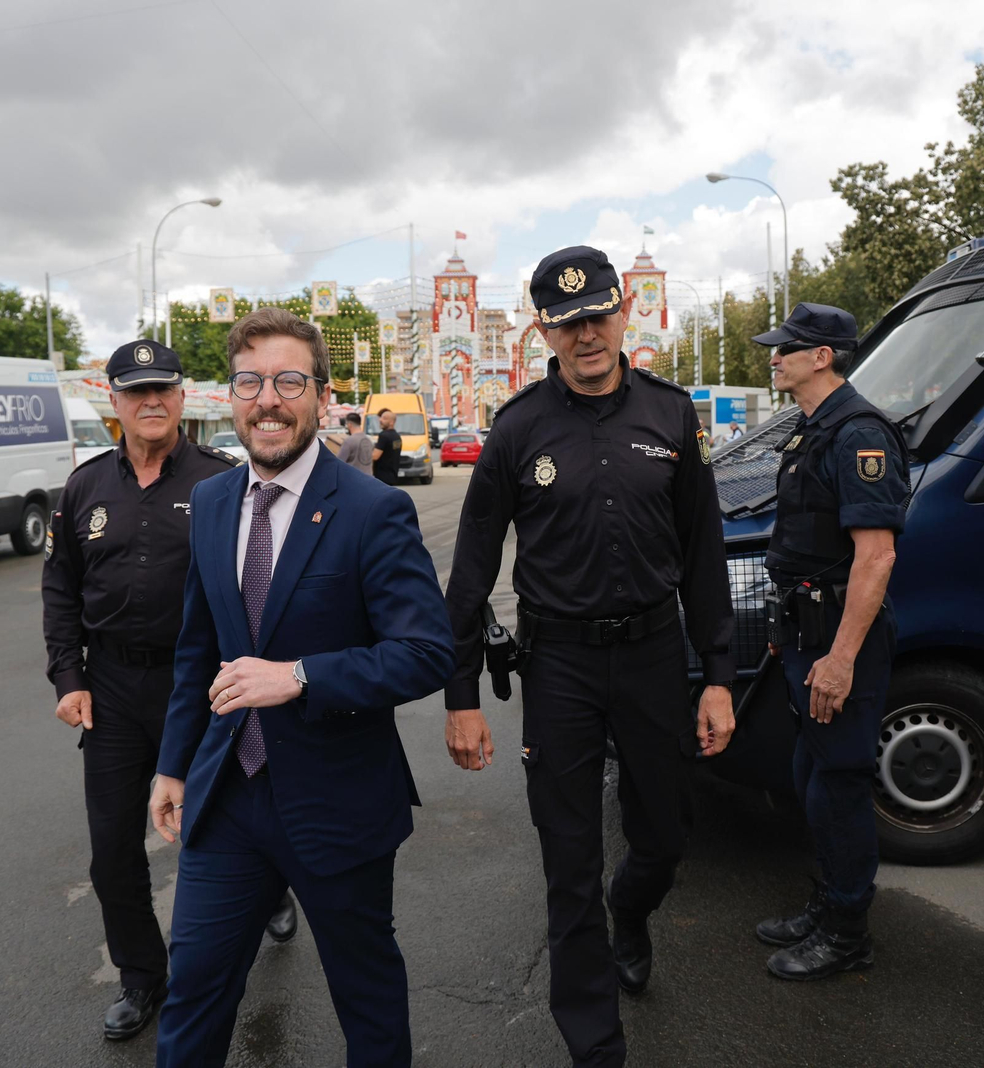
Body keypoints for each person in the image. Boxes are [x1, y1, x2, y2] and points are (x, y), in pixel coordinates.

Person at [443, 245, 737, 1068]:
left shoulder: (673, 418)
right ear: (546, 328)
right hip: (560, 668)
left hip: (651, 658)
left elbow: (703, 554)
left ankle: (632, 910)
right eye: (568, 323)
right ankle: (594, 1045)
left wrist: (717, 677)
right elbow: (471, 569)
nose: (587, 335)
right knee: (568, 865)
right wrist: (459, 693)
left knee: (668, 832)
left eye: (599, 315)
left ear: (624, 313)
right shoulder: (517, 429)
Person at [149, 307, 454, 1067]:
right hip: (229, 799)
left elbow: (424, 651)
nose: (268, 400)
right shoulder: (215, 502)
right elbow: (199, 650)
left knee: (368, 1003)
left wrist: (300, 677)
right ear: (231, 396)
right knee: (192, 990)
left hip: (338, 804)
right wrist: (173, 763)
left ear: (321, 395)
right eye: (249, 381)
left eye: (289, 380)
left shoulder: (374, 509)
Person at [41, 339, 297, 1042]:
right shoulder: (85, 487)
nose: (151, 402)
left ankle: (269, 889)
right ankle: (141, 977)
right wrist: (68, 676)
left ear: (183, 398)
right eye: (135, 392)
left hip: (208, 686)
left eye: (164, 390)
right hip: (115, 689)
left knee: (223, 825)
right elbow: (60, 587)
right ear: (113, 402)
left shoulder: (225, 482)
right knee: (111, 846)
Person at [748, 302, 909, 982]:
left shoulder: (857, 434)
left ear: (822, 357)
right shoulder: (814, 428)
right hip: (808, 632)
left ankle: (847, 934)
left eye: (787, 348)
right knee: (811, 777)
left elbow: (875, 558)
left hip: (841, 642)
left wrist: (840, 660)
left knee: (838, 785)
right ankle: (827, 903)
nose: (774, 356)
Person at [339, 412, 375, 477]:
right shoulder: (369, 440)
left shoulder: (349, 441)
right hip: (369, 479)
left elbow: (339, 462)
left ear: (349, 424)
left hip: (354, 479)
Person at [371, 408, 402, 485]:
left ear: (391, 422)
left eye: (384, 418)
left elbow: (375, 456)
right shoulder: (397, 436)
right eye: (380, 417)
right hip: (393, 476)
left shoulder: (383, 436)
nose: (380, 420)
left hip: (382, 477)